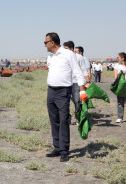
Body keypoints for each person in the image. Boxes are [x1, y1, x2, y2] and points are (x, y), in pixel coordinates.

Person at [44, 33, 86, 162]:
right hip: (51, 91)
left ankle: (64, 151)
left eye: (46, 42)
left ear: (53, 43)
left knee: (63, 121)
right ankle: (57, 148)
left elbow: (77, 72)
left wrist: (82, 90)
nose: (44, 45)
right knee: (54, 120)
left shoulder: (69, 54)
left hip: (63, 92)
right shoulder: (50, 57)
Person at [63, 41, 89, 125]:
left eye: (66, 48)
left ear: (71, 49)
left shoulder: (78, 57)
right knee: (65, 102)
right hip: (66, 83)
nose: (65, 50)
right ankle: (68, 119)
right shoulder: (63, 57)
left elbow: (84, 70)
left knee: (77, 101)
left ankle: (78, 119)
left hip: (76, 83)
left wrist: (87, 81)